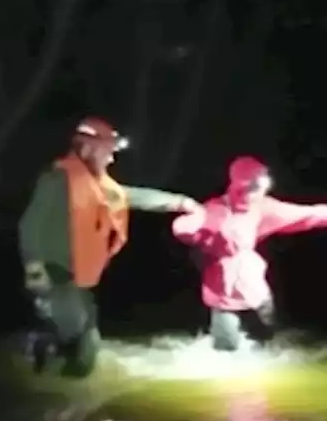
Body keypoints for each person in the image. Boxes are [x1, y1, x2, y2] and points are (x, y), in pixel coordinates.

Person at [18, 116, 201, 377]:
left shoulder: (98, 184)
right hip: (53, 272)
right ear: (89, 148)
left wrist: (180, 203)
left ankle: (48, 358)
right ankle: (64, 388)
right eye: (109, 151)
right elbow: (30, 224)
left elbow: (131, 196)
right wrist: (34, 267)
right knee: (85, 341)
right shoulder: (57, 179)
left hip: (77, 277)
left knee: (81, 336)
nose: (112, 158)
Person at [172, 156, 327, 351]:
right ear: (239, 185)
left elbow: (308, 214)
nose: (257, 194)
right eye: (253, 188)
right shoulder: (213, 210)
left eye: (261, 189)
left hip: (255, 288)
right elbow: (183, 230)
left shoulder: (262, 207)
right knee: (225, 353)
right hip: (222, 294)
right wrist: (190, 219)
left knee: (269, 342)